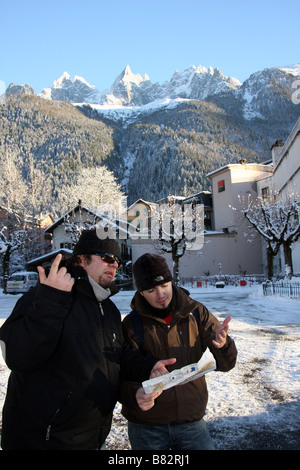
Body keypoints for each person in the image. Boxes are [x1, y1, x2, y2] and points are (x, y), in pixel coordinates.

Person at [0, 231, 175, 450]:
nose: (114, 265)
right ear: (82, 259)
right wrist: (51, 301)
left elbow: (115, 356)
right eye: (107, 258)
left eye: (117, 261)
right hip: (44, 441)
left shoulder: (108, 308)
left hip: (91, 439)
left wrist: (148, 367)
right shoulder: (49, 295)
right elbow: (18, 356)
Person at [120, 253, 237, 450]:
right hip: (147, 427)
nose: (161, 295)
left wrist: (222, 345)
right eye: (151, 290)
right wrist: (135, 395)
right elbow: (119, 374)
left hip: (191, 422)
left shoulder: (197, 313)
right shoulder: (131, 325)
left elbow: (226, 365)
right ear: (140, 292)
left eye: (165, 286)